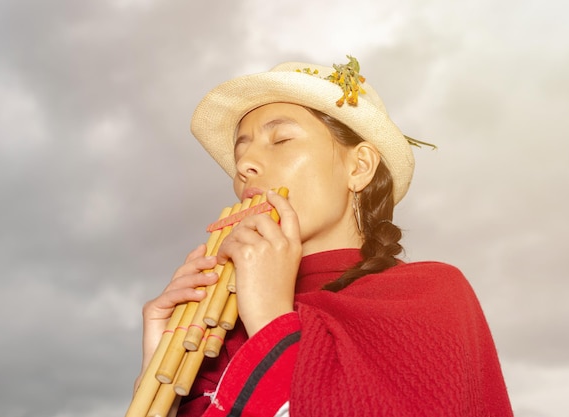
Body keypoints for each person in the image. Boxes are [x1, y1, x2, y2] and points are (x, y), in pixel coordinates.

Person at [136, 56, 513, 416]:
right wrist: (158, 384)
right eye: (242, 152)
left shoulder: (431, 293)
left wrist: (269, 319)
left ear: (360, 166)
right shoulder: (216, 331)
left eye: (281, 140)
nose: (245, 167)